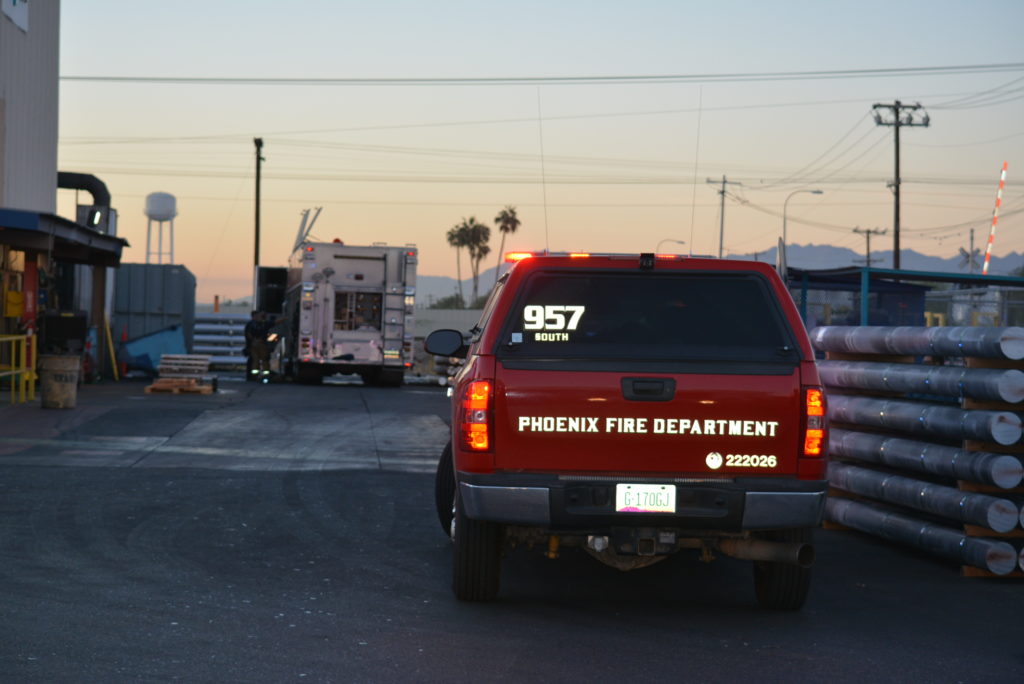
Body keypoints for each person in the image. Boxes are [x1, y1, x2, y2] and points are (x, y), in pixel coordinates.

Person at [243, 311, 267, 382]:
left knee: (254, 360)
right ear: (253, 316)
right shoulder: (251, 324)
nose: (258, 317)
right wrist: (253, 341)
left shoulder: (257, 324)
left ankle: (253, 375)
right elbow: (249, 335)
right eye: (257, 316)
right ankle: (251, 375)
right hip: (252, 345)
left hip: (255, 345)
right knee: (253, 360)